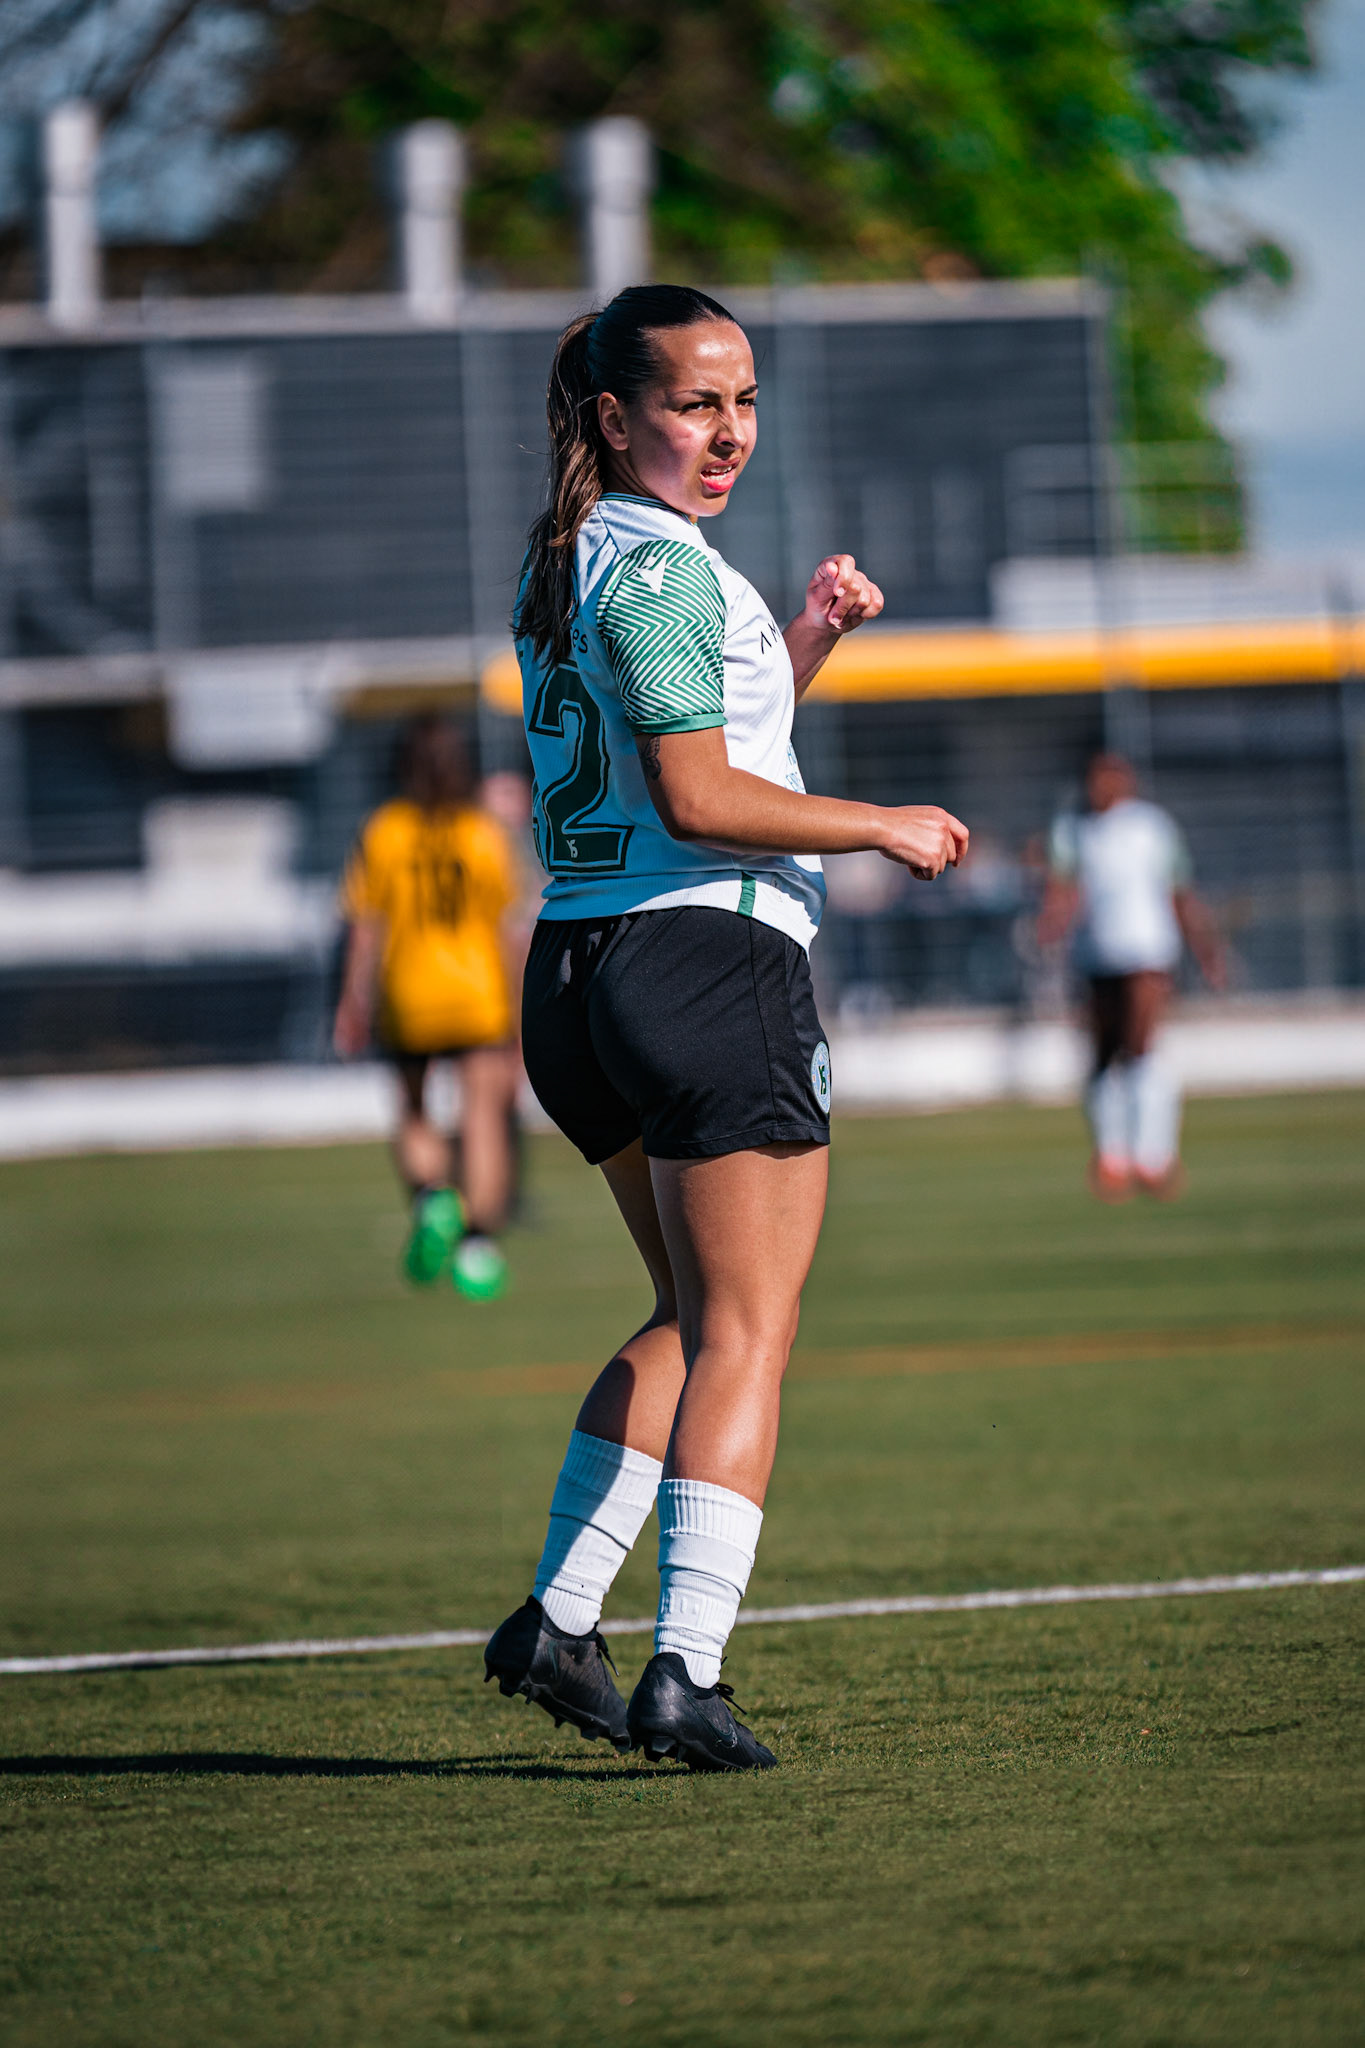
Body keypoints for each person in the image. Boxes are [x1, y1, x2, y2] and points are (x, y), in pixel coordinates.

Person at [482, 283, 968, 1772]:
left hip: (582, 969)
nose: (730, 431)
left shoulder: (574, 555)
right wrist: (877, 822)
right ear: (615, 418)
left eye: (745, 399)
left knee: (694, 1322)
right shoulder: (665, 571)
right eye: (697, 403)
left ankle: (563, 1619)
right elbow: (703, 802)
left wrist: (807, 637)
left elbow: (695, 752)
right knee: (750, 1328)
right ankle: (685, 1670)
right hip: (705, 960)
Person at [333, 714, 522, 1300]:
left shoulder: (384, 831)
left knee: (415, 1108)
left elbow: (365, 926)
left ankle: (431, 1194)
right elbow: (506, 929)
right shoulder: (482, 833)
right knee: (484, 1119)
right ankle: (477, 1245)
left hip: (410, 995)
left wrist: (351, 1000)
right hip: (476, 994)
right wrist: (520, 1012)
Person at [1038, 751, 1224, 1202]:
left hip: (1147, 950)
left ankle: (1155, 1156)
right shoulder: (1073, 829)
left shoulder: (1152, 827)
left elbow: (1179, 891)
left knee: (1142, 1046)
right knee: (1105, 1051)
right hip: (1096, 952)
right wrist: (1050, 930)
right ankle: (1112, 1157)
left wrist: (1207, 950)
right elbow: (1063, 888)